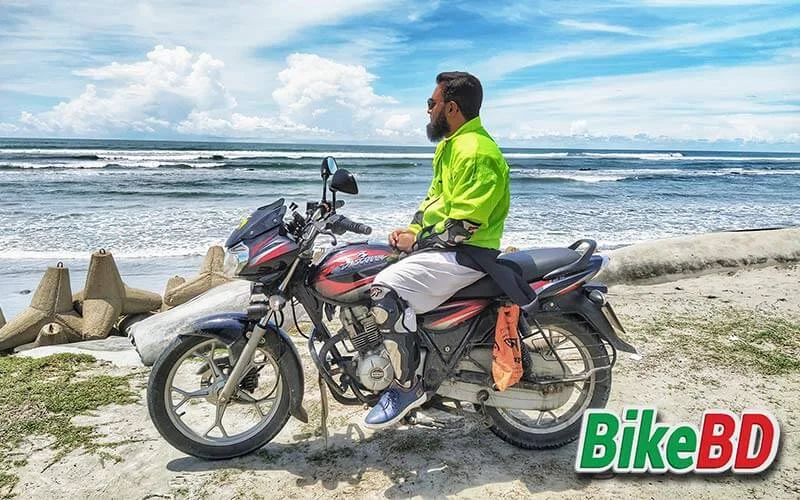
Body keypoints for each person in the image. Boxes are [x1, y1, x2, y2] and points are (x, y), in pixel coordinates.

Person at [364, 71, 519, 429]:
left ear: (451, 108)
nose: (427, 110)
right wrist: (411, 230)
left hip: (468, 254)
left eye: (431, 103)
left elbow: (466, 225)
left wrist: (417, 242)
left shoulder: (476, 151)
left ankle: (407, 387)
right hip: (447, 249)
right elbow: (433, 203)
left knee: (384, 290)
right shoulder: (451, 146)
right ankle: (429, 372)